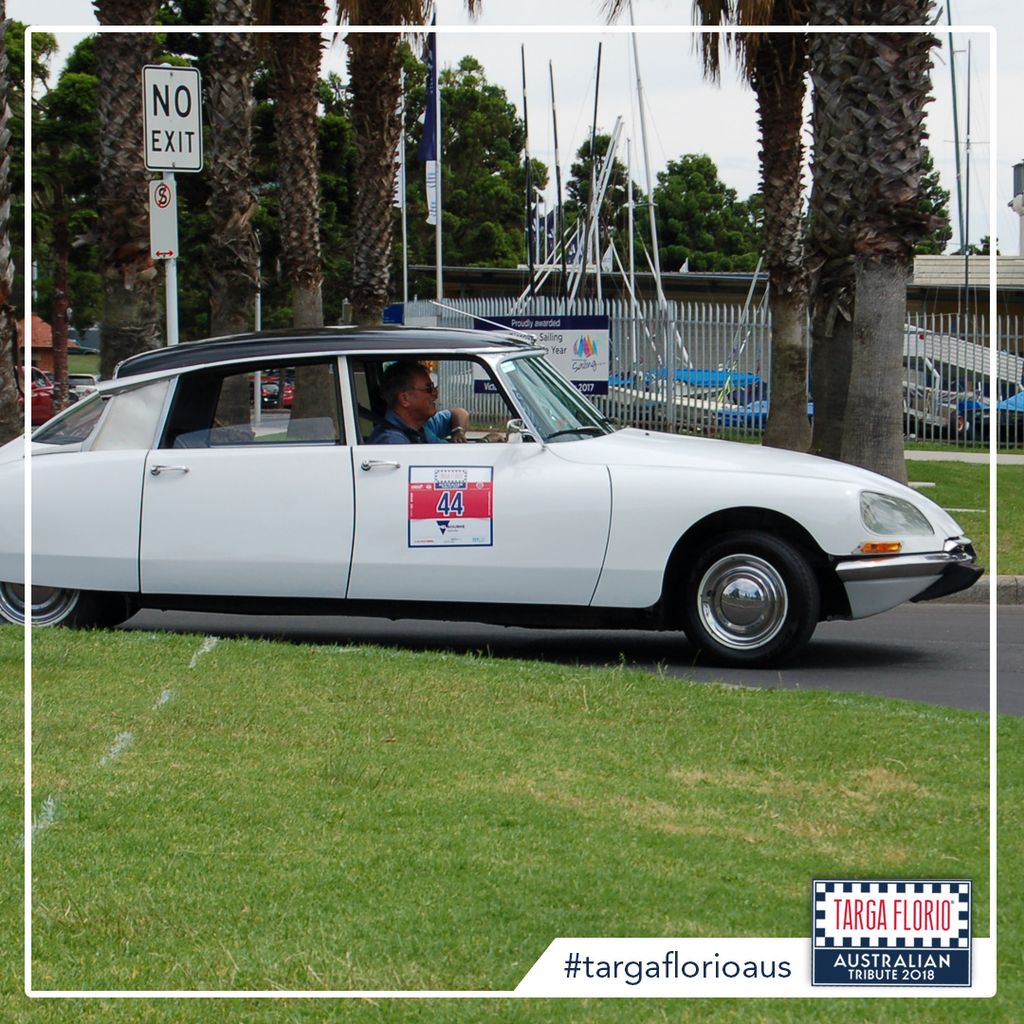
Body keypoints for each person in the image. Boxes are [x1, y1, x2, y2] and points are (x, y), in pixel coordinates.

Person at [368, 360, 470, 444]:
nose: (436, 393)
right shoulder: (393, 441)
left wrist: (458, 431)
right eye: (429, 388)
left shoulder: (423, 424)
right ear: (405, 399)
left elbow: (460, 413)